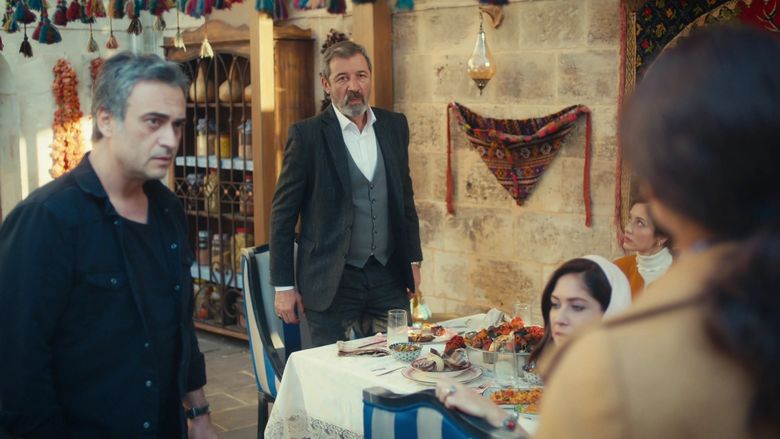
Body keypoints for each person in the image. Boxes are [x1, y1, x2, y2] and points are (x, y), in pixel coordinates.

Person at [443, 25, 780, 438]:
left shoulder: (611, 364)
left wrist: (501, 423)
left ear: (658, 184)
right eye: (557, 305)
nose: (561, 317)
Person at [0, 52, 217, 439]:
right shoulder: (46, 220)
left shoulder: (168, 210)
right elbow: (17, 371)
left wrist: (198, 412)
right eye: (153, 122)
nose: (170, 140)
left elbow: (179, 328)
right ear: (105, 119)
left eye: (177, 125)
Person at [269, 40, 423, 347]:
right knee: (330, 366)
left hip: (388, 275)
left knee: (398, 358)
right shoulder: (307, 136)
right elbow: (282, 215)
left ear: (370, 78)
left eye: (361, 76)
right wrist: (283, 287)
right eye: (342, 78)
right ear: (326, 84)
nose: (354, 86)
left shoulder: (394, 126)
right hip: (330, 278)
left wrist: (413, 262)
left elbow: (405, 200)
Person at [435, 255, 631, 430]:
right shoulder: (572, 371)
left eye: (577, 307)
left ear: (611, 311)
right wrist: (491, 412)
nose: (559, 318)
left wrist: (493, 414)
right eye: (555, 304)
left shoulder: (617, 390)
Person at [613, 197, 673, 297]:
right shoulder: (618, 268)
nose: (627, 228)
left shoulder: (682, 273)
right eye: (630, 219)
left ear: (662, 237)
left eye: (640, 223)